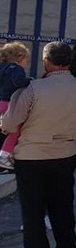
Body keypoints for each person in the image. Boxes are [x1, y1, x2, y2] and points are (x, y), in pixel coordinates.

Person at [0, 41, 76, 248]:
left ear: (46, 61)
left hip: (31, 158)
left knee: (33, 213)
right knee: (63, 207)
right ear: (69, 61)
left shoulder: (32, 89)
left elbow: (10, 125)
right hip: (66, 154)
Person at [0, 42, 32, 171]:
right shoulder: (16, 69)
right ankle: (4, 156)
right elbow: (18, 82)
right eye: (26, 60)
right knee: (14, 132)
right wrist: (30, 80)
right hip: (10, 104)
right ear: (20, 58)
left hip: (1, 102)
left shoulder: (2, 67)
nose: (26, 64)